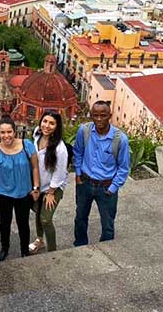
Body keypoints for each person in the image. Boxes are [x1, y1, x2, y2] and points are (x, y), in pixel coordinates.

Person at [73, 101, 130, 247]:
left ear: (109, 116)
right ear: (91, 115)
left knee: (108, 223)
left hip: (106, 187)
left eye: (103, 115)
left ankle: (106, 248)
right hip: (85, 183)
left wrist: (112, 188)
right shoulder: (84, 131)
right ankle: (80, 245)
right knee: (80, 217)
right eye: (95, 115)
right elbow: (78, 152)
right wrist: (78, 174)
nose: (99, 119)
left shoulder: (120, 139)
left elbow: (123, 168)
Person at [0, 117, 40, 262]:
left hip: (23, 192)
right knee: (4, 221)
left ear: (15, 131)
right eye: (2, 132)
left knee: (23, 222)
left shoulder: (27, 145)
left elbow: (35, 167)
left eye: (9, 132)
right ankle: (4, 248)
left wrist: (36, 187)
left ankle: (24, 249)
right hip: (3, 191)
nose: (6, 135)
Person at [29, 111, 69, 254]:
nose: (47, 126)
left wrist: (51, 192)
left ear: (57, 126)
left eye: (52, 123)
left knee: (45, 218)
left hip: (54, 186)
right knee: (38, 211)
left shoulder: (60, 149)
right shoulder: (37, 135)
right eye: (45, 121)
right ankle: (40, 239)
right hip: (38, 183)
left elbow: (59, 173)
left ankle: (52, 250)